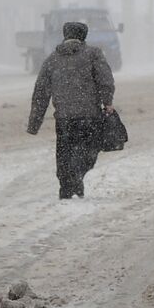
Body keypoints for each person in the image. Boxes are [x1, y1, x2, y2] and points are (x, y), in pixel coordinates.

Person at [27, 20, 115, 200]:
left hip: (64, 118)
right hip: (90, 116)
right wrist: (107, 102)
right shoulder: (94, 54)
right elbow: (105, 79)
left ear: (65, 35)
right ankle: (77, 176)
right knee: (89, 151)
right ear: (84, 36)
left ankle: (66, 186)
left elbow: (40, 92)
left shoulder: (52, 59)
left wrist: (34, 122)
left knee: (64, 153)